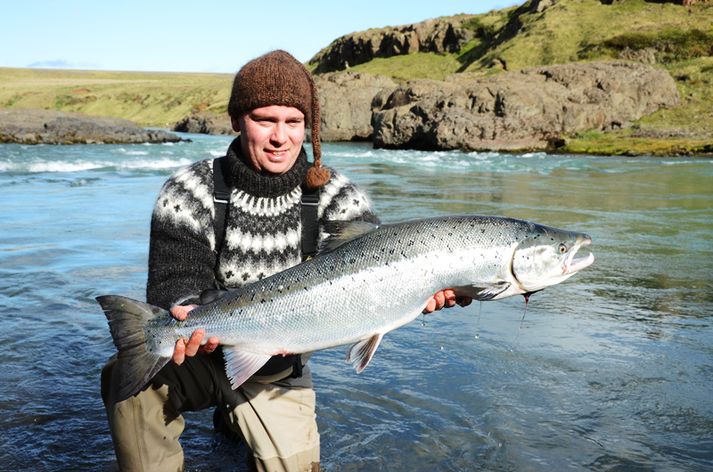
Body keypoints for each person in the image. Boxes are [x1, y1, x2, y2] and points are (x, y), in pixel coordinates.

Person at [101, 49, 469, 472]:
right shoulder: (189, 191)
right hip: (200, 356)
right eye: (265, 120)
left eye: (293, 122)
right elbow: (172, 284)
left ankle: (235, 419)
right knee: (124, 382)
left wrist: (425, 291)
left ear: (306, 126)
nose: (280, 137)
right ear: (239, 120)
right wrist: (186, 311)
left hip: (279, 370)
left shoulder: (338, 197)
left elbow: (382, 274)